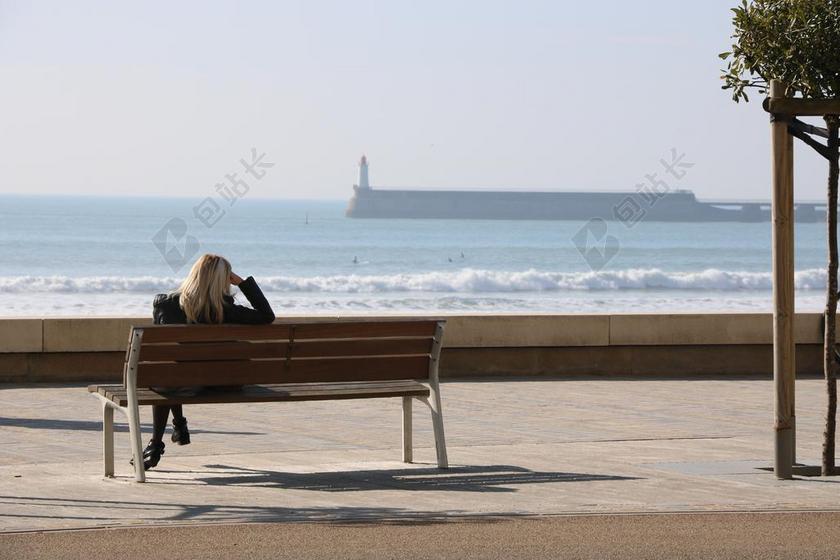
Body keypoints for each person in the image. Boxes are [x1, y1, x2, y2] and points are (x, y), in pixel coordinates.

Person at [136, 253, 275, 470]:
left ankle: (157, 443)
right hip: (224, 383)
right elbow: (267, 316)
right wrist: (242, 283)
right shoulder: (227, 310)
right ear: (223, 280)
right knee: (176, 374)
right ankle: (179, 426)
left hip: (180, 383)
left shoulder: (166, 305)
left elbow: (167, 359)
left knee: (169, 375)